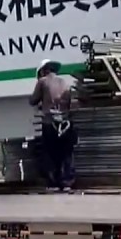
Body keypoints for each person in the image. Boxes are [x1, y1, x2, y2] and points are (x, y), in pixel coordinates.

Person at [30, 59, 77, 192]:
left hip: (50, 123)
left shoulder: (43, 81)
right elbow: (69, 103)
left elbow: (33, 100)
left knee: (50, 153)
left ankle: (53, 183)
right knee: (66, 153)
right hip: (65, 122)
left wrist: (42, 103)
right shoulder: (65, 82)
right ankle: (67, 181)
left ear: (43, 71)